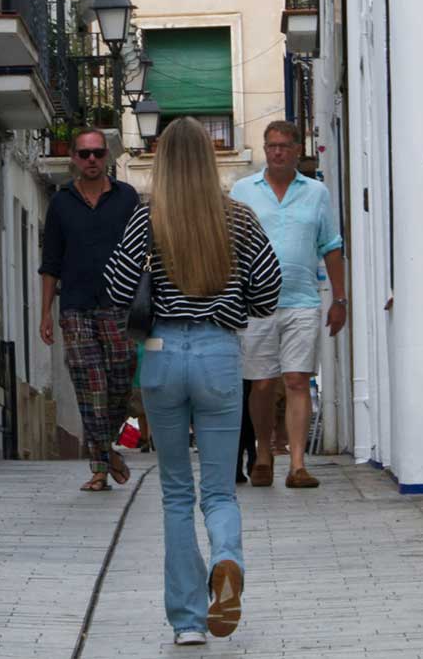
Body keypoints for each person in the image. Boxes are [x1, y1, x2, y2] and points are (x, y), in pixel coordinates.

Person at [104, 117, 282, 646]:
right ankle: (226, 561)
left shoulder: (146, 219)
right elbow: (268, 292)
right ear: (209, 161)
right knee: (220, 490)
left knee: (176, 492)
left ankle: (186, 621)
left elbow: (115, 286)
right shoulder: (240, 220)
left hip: (161, 355)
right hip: (218, 354)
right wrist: (231, 301)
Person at [229, 121, 346, 489]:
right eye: (271, 146)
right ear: (265, 150)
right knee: (261, 384)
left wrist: (339, 298)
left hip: (302, 301)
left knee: (297, 379)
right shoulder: (243, 190)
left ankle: (297, 464)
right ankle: (263, 452)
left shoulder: (316, 193)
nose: (277, 152)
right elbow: (230, 245)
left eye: (283, 146)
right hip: (255, 303)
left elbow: (331, 245)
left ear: (298, 149)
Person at [38, 128, 141, 492]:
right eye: (84, 154)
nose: (92, 160)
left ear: (108, 157)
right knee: (90, 385)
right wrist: (45, 312)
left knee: (118, 382)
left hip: (119, 307)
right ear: (74, 160)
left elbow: (146, 250)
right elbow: (50, 262)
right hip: (76, 307)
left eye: (98, 153)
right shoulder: (61, 202)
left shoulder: (127, 198)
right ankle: (100, 465)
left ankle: (104, 448)